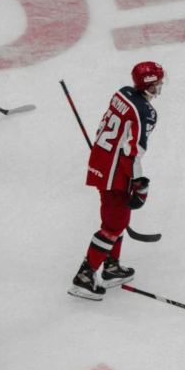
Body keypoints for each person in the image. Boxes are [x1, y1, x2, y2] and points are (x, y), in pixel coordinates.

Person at [69, 59, 164, 299]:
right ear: (150, 86)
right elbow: (132, 152)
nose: (161, 85)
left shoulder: (122, 94)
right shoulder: (146, 112)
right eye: (159, 82)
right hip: (115, 172)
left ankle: (111, 267)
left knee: (117, 220)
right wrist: (138, 184)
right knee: (112, 226)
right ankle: (85, 276)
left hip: (101, 162)